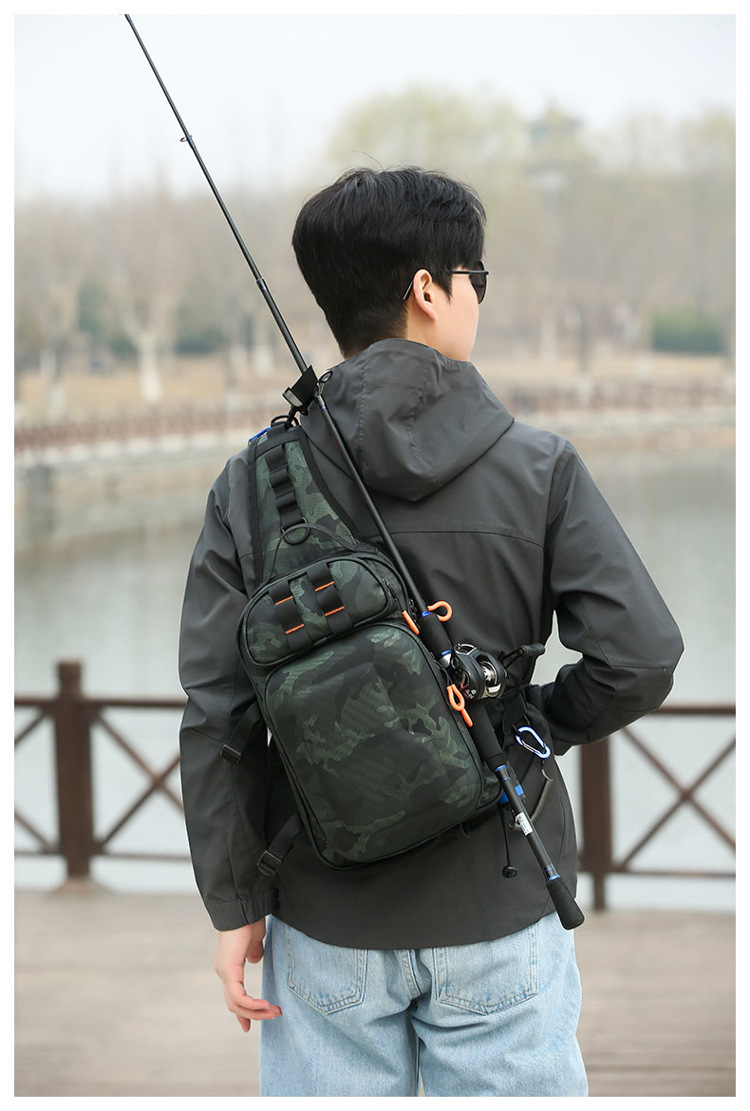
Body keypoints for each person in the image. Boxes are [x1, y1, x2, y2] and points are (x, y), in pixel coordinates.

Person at [178, 167, 683, 1097]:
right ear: (428, 289)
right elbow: (641, 658)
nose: (478, 297)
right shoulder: (538, 466)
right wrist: (527, 723)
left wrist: (234, 903)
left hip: (324, 916)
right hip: (501, 892)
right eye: (474, 278)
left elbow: (218, 715)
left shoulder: (250, 484)